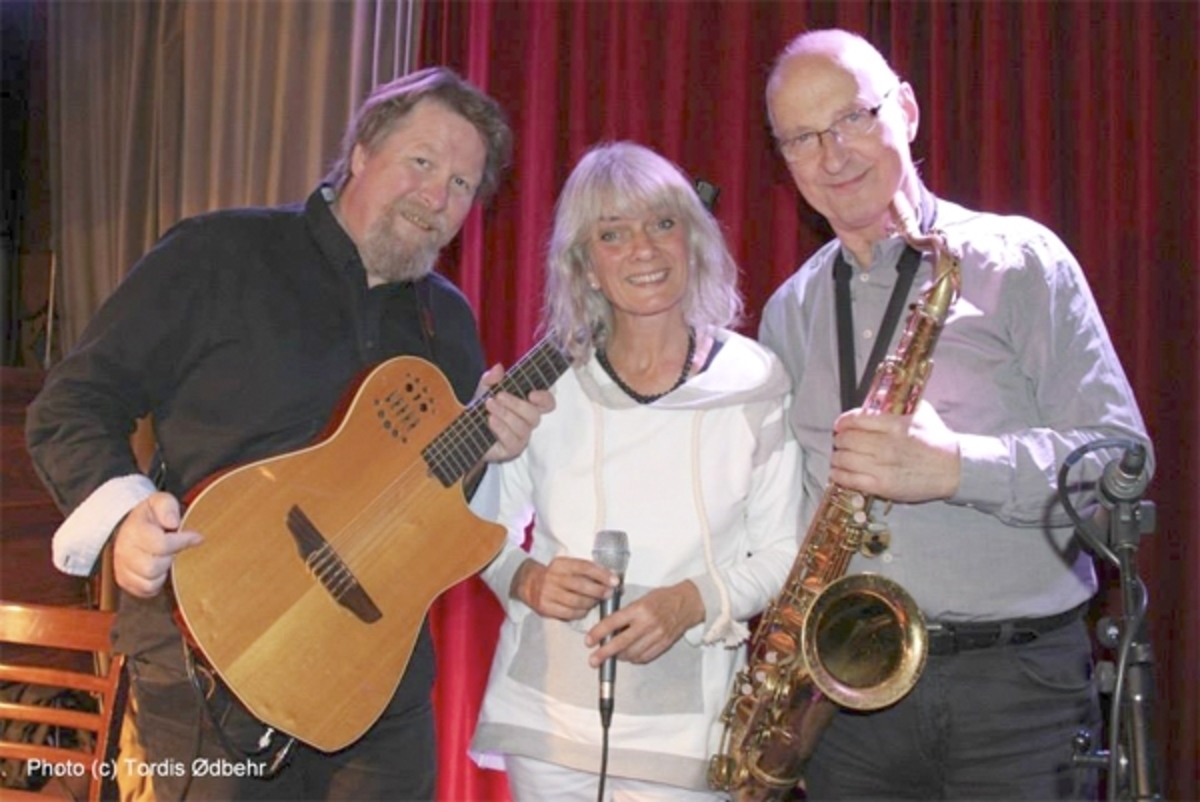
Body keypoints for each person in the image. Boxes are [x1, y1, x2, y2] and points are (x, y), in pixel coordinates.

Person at [25, 67, 554, 801]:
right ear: (361, 151)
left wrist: (487, 455)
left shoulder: (449, 322)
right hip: (210, 660)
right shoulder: (218, 254)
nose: (437, 197)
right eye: (422, 162)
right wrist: (125, 519)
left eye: (461, 184)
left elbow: (421, 510)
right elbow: (73, 405)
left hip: (378, 686)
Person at [757, 29, 1154, 800]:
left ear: (905, 110)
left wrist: (958, 468)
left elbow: (1122, 462)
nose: (833, 155)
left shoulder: (1020, 259)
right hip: (849, 701)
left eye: (852, 118)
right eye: (802, 139)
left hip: (1016, 690)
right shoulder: (788, 313)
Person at [466, 141, 802, 800]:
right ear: (586, 267)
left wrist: (690, 603)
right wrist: (528, 579)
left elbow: (784, 552)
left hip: (688, 735)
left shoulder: (754, 380)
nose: (643, 249)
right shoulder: (546, 383)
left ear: (693, 242)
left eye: (662, 224)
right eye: (612, 234)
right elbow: (479, 534)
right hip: (546, 725)